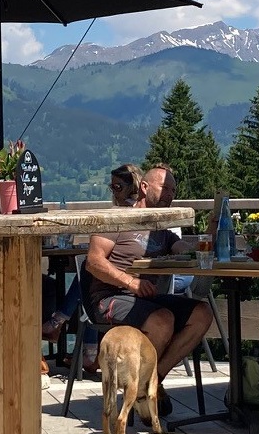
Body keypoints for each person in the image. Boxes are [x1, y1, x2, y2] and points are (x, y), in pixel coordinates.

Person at [83, 163, 214, 407]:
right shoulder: (118, 217)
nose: (170, 195)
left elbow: (183, 250)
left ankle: (152, 382)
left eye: (173, 191)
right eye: (164, 187)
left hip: (147, 301)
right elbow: (93, 262)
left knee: (201, 313)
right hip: (109, 298)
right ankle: (140, 389)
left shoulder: (160, 227)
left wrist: (208, 238)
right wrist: (130, 282)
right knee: (162, 319)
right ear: (144, 186)